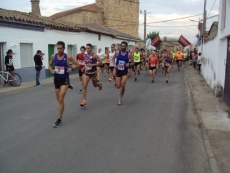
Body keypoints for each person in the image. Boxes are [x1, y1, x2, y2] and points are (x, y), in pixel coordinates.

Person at [48, 41, 79, 128]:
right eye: (57, 48)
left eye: (60, 48)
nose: (59, 50)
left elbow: (78, 64)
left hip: (65, 79)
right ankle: (67, 87)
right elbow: (49, 65)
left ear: (64, 48)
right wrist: (51, 70)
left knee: (61, 98)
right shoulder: (53, 56)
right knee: (59, 100)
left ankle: (59, 119)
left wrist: (71, 68)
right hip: (56, 79)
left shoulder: (68, 57)